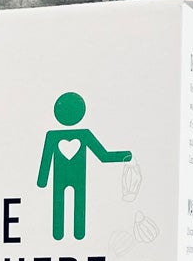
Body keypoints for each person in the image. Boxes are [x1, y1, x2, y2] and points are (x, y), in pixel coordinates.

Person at [37, 91, 132, 241]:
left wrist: (123, 156)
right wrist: (42, 179)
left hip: (77, 177)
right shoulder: (54, 136)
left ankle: (77, 233)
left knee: (78, 202)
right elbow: (47, 158)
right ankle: (59, 233)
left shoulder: (81, 135)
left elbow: (102, 155)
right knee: (60, 202)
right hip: (62, 177)